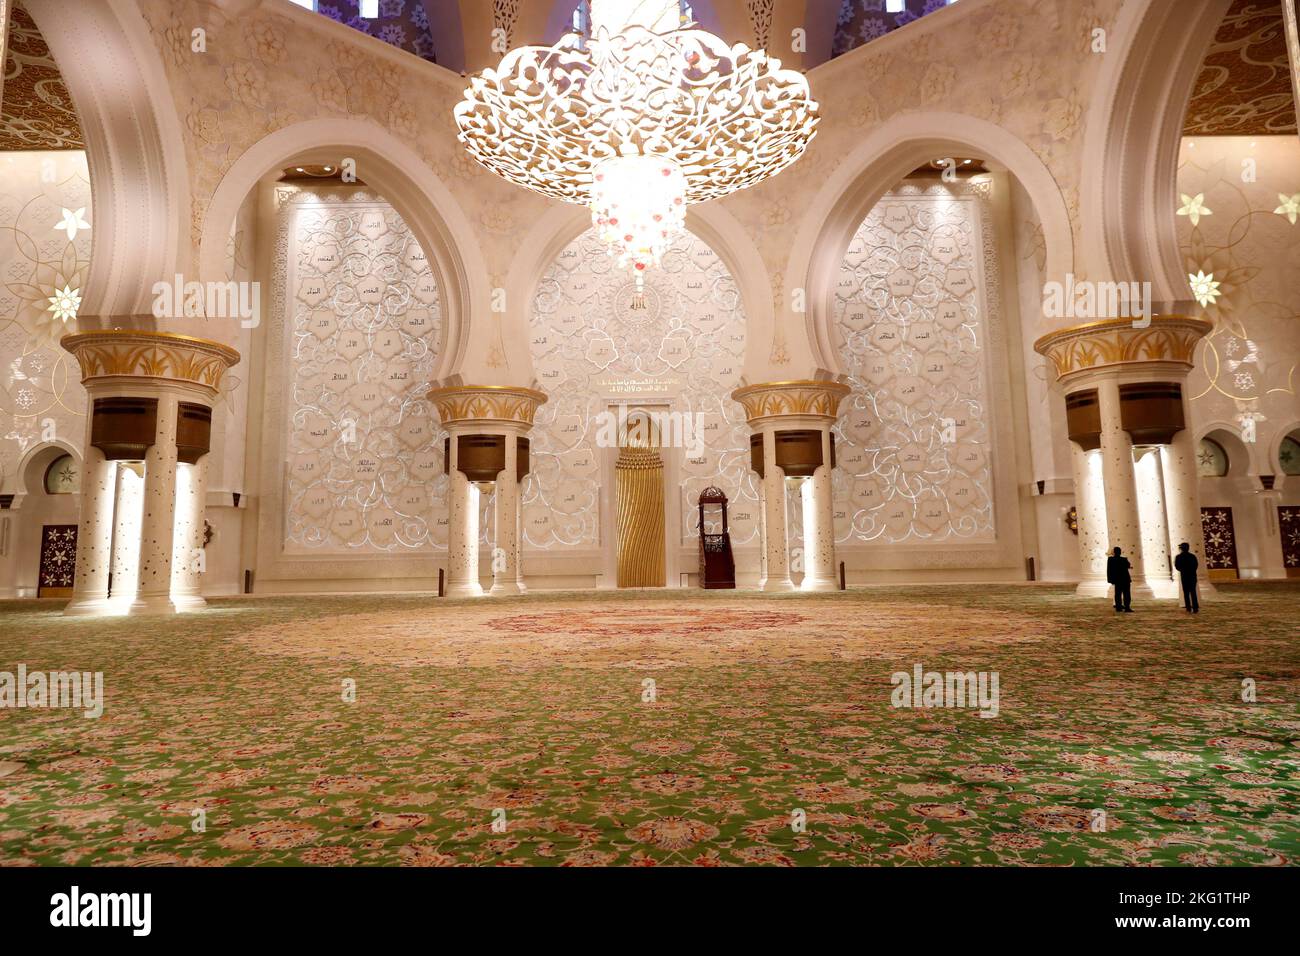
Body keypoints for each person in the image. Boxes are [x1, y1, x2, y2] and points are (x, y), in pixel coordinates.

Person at [1173, 542, 1200, 613]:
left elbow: (1177, 566)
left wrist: (1183, 570)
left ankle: (1188, 608)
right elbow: (1196, 565)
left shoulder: (1178, 557)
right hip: (1192, 576)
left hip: (1184, 576)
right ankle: (1195, 607)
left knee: (1186, 593)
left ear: (1181, 549)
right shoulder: (1192, 556)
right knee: (1193, 592)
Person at [1106, 546, 1133, 612]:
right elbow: (1128, 566)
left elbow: (1109, 570)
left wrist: (1110, 580)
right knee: (1127, 594)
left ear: (1114, 552)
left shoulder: (1110, 559)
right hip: (1125, 579)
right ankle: (1127, 607)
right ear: (1120, 552)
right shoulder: (1124, 559)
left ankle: (1118, 607)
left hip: (1117, 580)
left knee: (1118, 594)